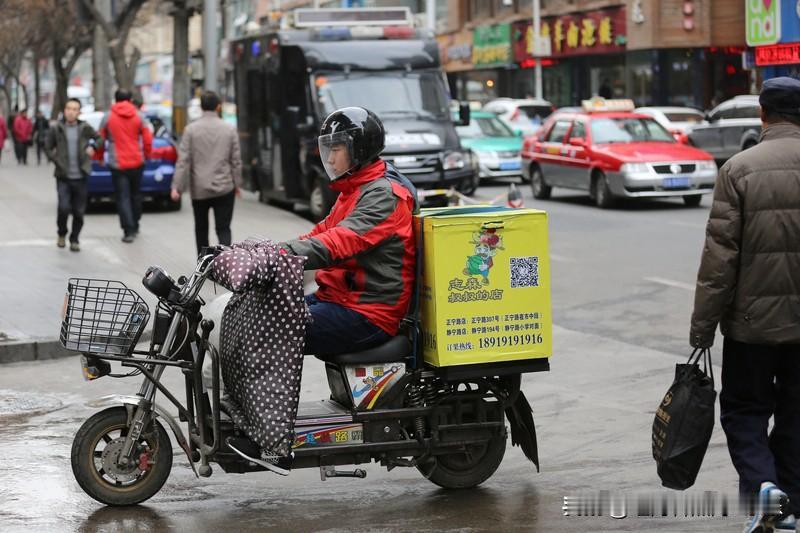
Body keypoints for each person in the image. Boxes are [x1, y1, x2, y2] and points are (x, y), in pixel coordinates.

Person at [224, 106, 417, 471]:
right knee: (256, 312)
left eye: (337, 148)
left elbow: (339, 242)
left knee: (272, 331)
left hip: (368, 312)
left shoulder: (384, 195)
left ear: (359, 150)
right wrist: (266, 251)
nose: (329, 157)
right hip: (340, 298)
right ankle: (249, 415)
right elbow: (320, 232)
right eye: (328, 148)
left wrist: (279, 255)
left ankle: (273, 438)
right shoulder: (355, 188)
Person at [690, 77, 800, 533]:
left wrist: (702, 329)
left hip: (751, 326)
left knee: (743, 411)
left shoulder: (738, 169)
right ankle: (788, 506)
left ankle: (764, 490)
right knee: (796, 415)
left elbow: (720, 260)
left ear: (763, 114)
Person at [171, 91, 242, 255]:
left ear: (202, 107)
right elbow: (236, 161)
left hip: (199, 188)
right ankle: (225, 262)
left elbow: (183, 161)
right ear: (218, 107)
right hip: (225, 187)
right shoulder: (229, 129)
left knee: (201, 229)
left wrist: (176, 187)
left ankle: (203, 264)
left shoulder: (190, 130)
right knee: (223, 228)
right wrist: (237, 184)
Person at [45, 98, 101, 252]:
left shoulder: (84, 127)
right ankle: (62, 233)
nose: (71, 112)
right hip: (63, 176)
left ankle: (74, 239)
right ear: (64, 110)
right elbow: (47, 146)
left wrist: (93, 147)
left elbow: (99, 138)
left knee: (79, 212)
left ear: (79, 112)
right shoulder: (57, 128)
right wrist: (55, 160)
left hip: (81, 176)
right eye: (69, 108)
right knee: (63, 208)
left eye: (75, 109)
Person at [98, 89, 152, 243]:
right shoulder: (139, 116)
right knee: (136, 195)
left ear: (115, 99)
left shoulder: (108, 117)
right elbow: (148, 139)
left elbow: (100, 139)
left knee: (123, 197)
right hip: (137, 161)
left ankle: (128, 231)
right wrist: (147, 154)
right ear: (130, 99)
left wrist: (99, 157)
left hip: (117, 164)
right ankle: (135, 223)